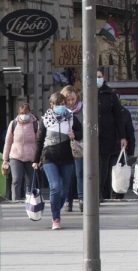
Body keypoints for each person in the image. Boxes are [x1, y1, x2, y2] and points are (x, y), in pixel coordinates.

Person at [35, 93, 82, 230]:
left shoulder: (71, 117)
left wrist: (75, 135)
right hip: (49, 157)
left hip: (67, 157)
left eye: (62, 103)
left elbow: (81, 132)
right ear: (51, 105)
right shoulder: (45, 119)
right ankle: (56, 218)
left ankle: (57, 206)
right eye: (57, 104)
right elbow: (39, 140)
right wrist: (36, 160)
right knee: (55, 186)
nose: (60, 106)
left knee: (65, 189)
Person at [96, 70, 127, 201]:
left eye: (99, 77)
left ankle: (99, 193)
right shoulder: (85, 93)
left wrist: (122, 136)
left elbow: (118, 117)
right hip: (90, 137)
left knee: (103, 166)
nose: (97, 79)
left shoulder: (110, 95)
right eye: (94, 77)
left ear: (103, 78)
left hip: (107, 136)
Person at [2, 103, 39, 201]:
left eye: (26, 112)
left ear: (30, 112)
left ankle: (31, 201)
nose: (24, 115)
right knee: (16, 180)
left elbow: (39, 142)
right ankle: (16, 201)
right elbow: (8, 142)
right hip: (15, 156)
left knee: (31, 182)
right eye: (22, 113)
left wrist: (38, 158)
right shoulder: (13, 123)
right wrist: (5, 159)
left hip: (31, 157)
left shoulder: (35, 124)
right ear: (19, 113)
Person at [60, 86, 83, 211]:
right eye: (68, 100)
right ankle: (68, 200)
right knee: (68, 175)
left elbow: (82, 130)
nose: (71, 102)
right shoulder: (59, 112)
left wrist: (76, 135)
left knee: (79, 173)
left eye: (73, 99)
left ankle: (81, 200)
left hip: (79, 146)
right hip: (63, 147)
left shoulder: (83, 109)